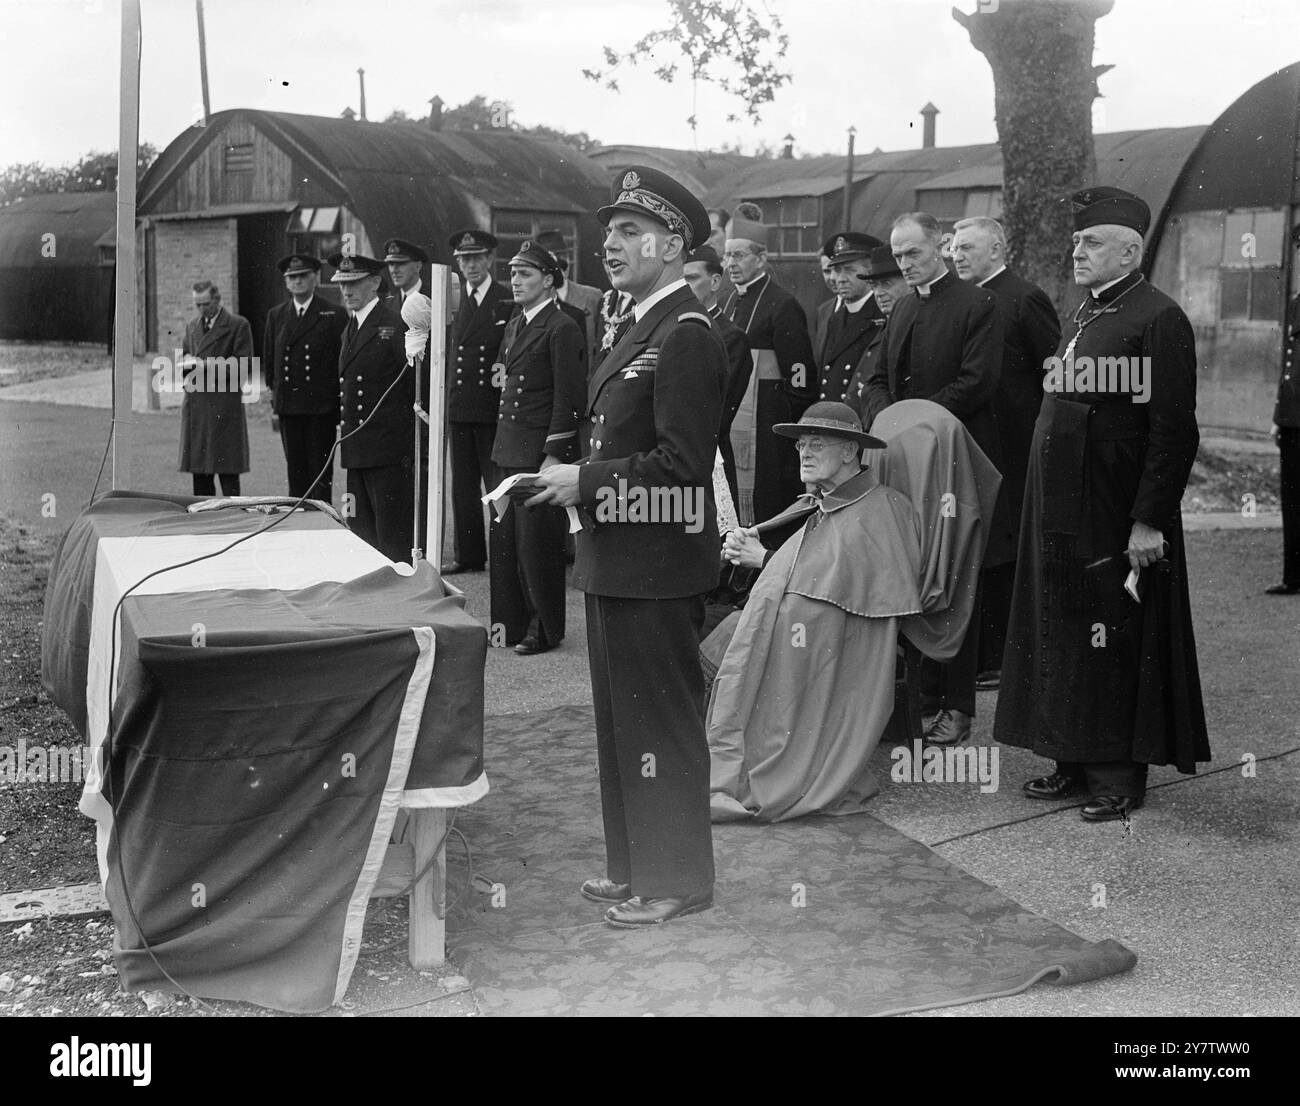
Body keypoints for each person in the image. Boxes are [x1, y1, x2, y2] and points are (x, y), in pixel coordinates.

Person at [529, 165, 726, 927]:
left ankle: (677, 881)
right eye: (608, 231)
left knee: (660, 727)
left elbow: (682, 468)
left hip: (657, 564)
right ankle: (634, 865)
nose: (609, 243)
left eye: (629, 231)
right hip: (618, 559)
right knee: (620, 727)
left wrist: (587, 481)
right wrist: (570, 476)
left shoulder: (685, 335)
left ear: (673, 244)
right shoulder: (637, 323)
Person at [995, 186, 1210, 822]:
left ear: (1130, 249)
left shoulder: (1158, 317)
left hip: (1114, 509)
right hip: (1060, 506)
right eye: (1076, 241)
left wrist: (1148, 517)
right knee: (1062, 627)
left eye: (1090, 243)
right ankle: (1070, 758)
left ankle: (1117, 776)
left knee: (1110, 632)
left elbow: (1174, 429)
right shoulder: (1082, 313)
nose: (1076, 252)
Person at [705, 400, 1000, 822]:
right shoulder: (819, 502)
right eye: (801, 444)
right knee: (715, 633)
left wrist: (764, 560)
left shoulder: (884, 510)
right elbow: (813, 576)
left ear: (849, 451)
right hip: (803, 633)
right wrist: (755, 556)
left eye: (816, 444)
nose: (804, 452)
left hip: (836, 648)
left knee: (734, 636)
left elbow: (841, 595)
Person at [862, 211, 1006, 747]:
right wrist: (887, 423)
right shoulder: (900, 308)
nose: (905, 265)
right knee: (906, 573)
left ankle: (957, 705)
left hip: (951, 465)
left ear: (940, 247)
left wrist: (913, 424)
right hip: (900, 461)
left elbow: (976, 384)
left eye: (914, 254)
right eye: (898, 257)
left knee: (953, 578)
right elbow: (878, 380)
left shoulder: (979, 305)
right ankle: (918, 695)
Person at [951, 216, 1061, 688]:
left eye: (968, 248)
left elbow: (1053, 374)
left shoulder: (1023, 297)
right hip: (976, 439)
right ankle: (979, 652)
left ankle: (1001, 656)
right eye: (953, 248)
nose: (957, 256)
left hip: (1016, 445)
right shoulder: (964, 302)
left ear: (997, 249)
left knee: (1007, 548)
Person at [488, 241, 584, 655]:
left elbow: (569, 397)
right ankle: (508, 625)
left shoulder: (562, 327)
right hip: (507, 447)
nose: (516, 280)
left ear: (548, 280)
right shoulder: (517, 321)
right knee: (506, 543)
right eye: (512, 273)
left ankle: (543, 628)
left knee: (536, 547)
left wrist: (554, 454)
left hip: (536, 452)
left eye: (525, 274)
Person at [722, 207, 818, 525]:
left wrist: (779, 422)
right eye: (726, 257)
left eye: (739, 256)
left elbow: (801, 377)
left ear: (760, 259)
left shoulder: (782, 304)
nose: (730, 264)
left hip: (768, 429)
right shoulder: (728, 301)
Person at [331, 252, 414, 563]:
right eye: (342, 284)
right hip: (357, 448)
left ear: (376, 282)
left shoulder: (393, 324)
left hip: (387, 451)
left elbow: (412, 387)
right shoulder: (350, 328)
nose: (347, 291)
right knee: (362, 533)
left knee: (391, 537)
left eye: (354, 283)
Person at [446, 229, 514, 575]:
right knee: (463, 487)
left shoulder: (506, 300)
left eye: (476, 258)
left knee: (497, 486)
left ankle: (504, 551)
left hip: (491, 409)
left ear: (489, 260)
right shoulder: (453, 302)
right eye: (463, 259)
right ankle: (469, 555)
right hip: (459, 409)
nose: (470, 265)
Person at [262, 254, 346, 502]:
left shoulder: (333, 313)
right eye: (292, 277)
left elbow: (341, 362)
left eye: (303, 276)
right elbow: (270, 362)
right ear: (286, 282)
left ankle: (321, 522)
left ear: (315, 278)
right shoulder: (277, 315)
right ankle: (297, 520)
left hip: (321, 408)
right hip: (290, 407)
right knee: (296, 472)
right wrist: (275, 397)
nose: (297, 281)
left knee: (320, 475)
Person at [685, 244, 753, 504]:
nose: (684, 286)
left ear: (714, 282)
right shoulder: (669, 327)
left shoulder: (730, 338)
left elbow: (717, 414)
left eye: (691, 278)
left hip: (706, 459)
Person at [179, 281, 252, 497]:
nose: (202, 309)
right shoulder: (192, 326)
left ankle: (233, 520)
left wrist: (208, 365)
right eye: (197, 305)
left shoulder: (238, 325)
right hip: (198, 407)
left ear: (218, 300)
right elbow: (185, 352)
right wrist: (186, 361)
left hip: (223, 407)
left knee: (228, 473)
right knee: (200, 475)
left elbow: (244, 365)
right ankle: (204, 521)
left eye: (206, 304)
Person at [815, 233, 887, 405]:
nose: (839, 279)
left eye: (849, 270)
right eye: (837, 270)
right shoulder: (832, 316)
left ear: (870, 272)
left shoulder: (882, 314)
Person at [1268, 262, 1300, 595]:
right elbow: (1289, 364)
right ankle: (1294, 576)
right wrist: (1279, 416)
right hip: (1293, 419)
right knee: (1291, 501)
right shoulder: (1296, 301)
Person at [845, 245, 906, 418]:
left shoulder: (908, 326)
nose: (878, 293)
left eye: (886, 284)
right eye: (874, 286)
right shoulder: (887, 326)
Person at [535, 228, 602, 356]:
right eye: (554, 258)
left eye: (564, 256)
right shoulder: (534, 301)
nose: (563, 262)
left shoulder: (593, 297)